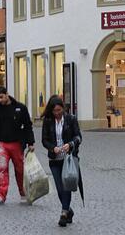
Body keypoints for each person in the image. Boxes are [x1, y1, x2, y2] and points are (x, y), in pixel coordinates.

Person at [42, 96, 82, 227]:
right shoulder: (48, 120)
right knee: (59, 188)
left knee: (67, 186)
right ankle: (69, 210)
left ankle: (64, 213)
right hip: (54, 159)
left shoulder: (71, 119)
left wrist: (70, 144)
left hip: (68, 159)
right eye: (55, 111)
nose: (57, 113)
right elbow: (44, 140)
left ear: (63, 108)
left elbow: (78, 137)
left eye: (59, 110)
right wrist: (52, 148)